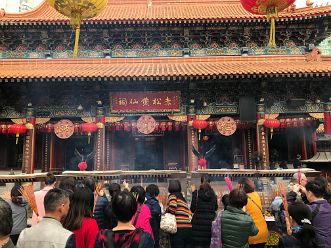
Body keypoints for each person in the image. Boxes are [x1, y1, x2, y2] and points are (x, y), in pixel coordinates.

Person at [238, 178, 268, 248]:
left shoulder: (243, 199)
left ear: (241, 187)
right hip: (263, 232)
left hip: (252, 234)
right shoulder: (256, 195)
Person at [190, 175, 218, 248]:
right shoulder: (213, 194)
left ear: (201, 182)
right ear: (210, 182)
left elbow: (192, 209)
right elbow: (215, 208)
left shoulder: (196, 193)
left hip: (197, 227)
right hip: (209, 226)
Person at [304, 180, 331, 247]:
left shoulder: (309, 209)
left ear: (310, 193)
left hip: (318, 244)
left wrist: (293, 193)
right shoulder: (329, 206)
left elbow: (290, 211)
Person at [167, 180, 192, 248]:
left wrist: (166, 211)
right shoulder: (183, 199)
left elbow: (172, 208)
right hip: (188, 229)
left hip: (178, 229)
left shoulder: (172, 196)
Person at [145, 184, 161, 248]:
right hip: (153, 228)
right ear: (154, 194)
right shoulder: (153, 202)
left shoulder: (142, 198)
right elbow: (157, 212)